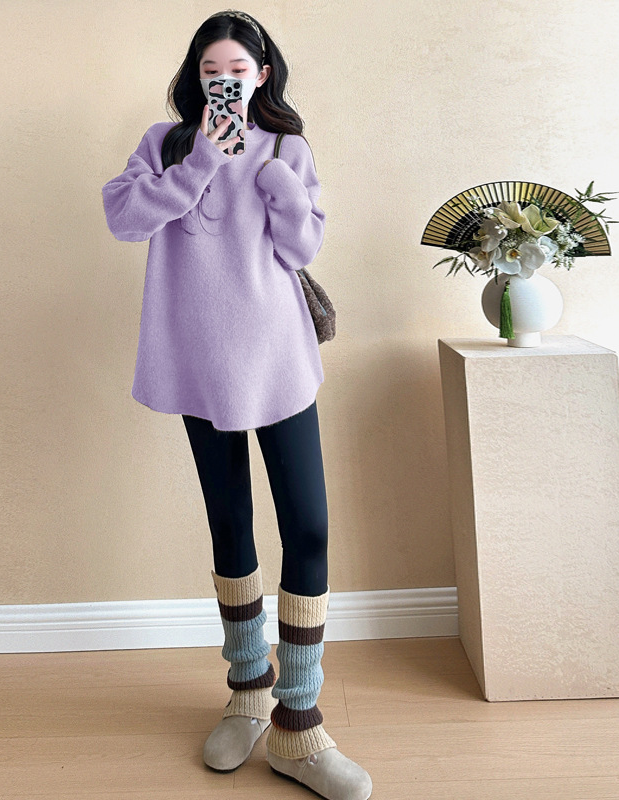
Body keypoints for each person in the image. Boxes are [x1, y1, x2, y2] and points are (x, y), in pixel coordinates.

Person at [101, 10, 372, 800]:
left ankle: (299, 725)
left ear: (262, 76)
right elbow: (123, 218)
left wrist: (277, 181)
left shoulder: (288, 148)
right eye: (211, 69)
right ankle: (249, 692)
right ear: (197, 77)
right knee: (230, 524)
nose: (224, 81)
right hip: (199, 361)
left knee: (308, 527)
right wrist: (199, 165)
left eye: (238, 70)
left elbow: (301, 248)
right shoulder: (166, 143)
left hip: (278, 358)